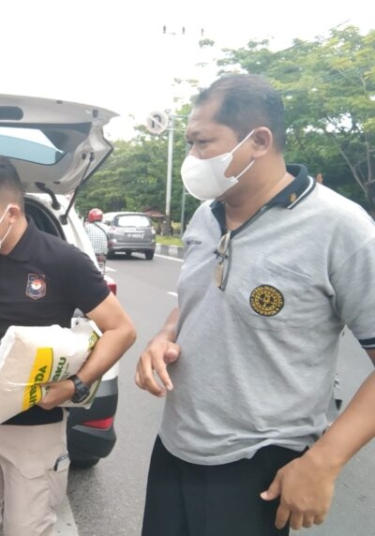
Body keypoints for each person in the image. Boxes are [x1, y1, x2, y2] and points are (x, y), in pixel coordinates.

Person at [136, 74, 375, 536]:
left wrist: (324, 462)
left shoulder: (342, 230)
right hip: (175, 449)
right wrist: (164, 336)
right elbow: (195, 298)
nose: (192, 158)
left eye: (202, 142)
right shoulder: (205, 217)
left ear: (259, 141)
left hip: (257, 468)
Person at [0, 155, 137, 536]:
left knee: (28, 530)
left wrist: (77, 385)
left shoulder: (63, 261)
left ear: (12, 213)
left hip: (33, 429)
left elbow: (121, 330)